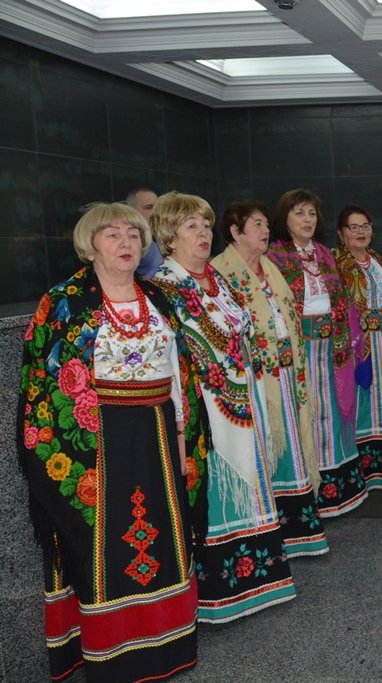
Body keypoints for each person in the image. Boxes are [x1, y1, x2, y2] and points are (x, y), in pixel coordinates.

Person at [19, 203, 205, 681]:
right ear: (90, 247)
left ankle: (167, 646)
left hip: (158, 438)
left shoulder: (158, 298)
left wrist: (182, 441)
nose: (126, 243)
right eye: (112, 235)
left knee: (163, 540)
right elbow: (43, 388)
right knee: (106, 549)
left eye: (133, 234)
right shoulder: (64, 303)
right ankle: (112, 653)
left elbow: (179, 374)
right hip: (97, 447)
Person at [151, 192, 296, 622]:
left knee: (253, 486)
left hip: (244, 400)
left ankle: (261, 580)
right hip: (206, 415)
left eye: (205, 224)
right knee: (217, 494)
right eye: (190, 226)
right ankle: (223, 592)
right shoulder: (162, 289)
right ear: (169, 236)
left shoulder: (217, 280)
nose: (202, 233)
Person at [211, 201, 328, 558]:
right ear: (236, 232)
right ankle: (270, 528)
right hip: (257, 380)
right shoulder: (221, 274)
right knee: (267, 446)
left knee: (292, 445)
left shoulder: (270, 268)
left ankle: (299, 529)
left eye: (265, 224)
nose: (265, 231)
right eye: (257, 225)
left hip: (288, 372)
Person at [267, 189, 364, 516]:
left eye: (311, 213)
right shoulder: (274, 257)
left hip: (331, 349)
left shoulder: (325, 254)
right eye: (299, 213)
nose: (307, 219)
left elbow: (342, 300)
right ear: (284, 218)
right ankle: (307, 492)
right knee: (304, 414)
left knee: (332, 413)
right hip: (300, 350)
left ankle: (340, 493)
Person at [334, 205, 382, 493]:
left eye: (365, 226)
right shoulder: (335, 264)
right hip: (355, 345)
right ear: (341, 233)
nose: (361, 231)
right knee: (360, 403)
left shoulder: (379, 261)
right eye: (354, 227)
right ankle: (360, 474)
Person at [127, 187, 163, 278]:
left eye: (158, 208)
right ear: (131, 211)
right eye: (149, 207)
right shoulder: (128, 242)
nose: (155, 212)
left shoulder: (159, 240)